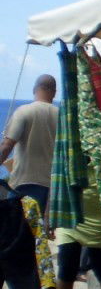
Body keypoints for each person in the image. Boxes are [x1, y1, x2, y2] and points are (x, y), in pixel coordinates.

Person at [0, 75, 59, 213]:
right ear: (55, 92)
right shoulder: (61, 116)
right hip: (51, 188)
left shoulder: (24, 111)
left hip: (22, 184)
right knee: (43, 233)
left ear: (34, 89)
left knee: (16, 229)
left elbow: (7, 145)